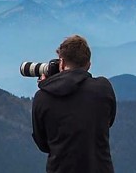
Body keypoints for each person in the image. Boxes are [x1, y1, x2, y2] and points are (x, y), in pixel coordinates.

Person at [32, 34, 117, 173]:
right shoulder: (104, 88)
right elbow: (109, 121)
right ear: (88, 65)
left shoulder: (42, 97)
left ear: (62, 63)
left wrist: (48, 84)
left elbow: (43, 144)